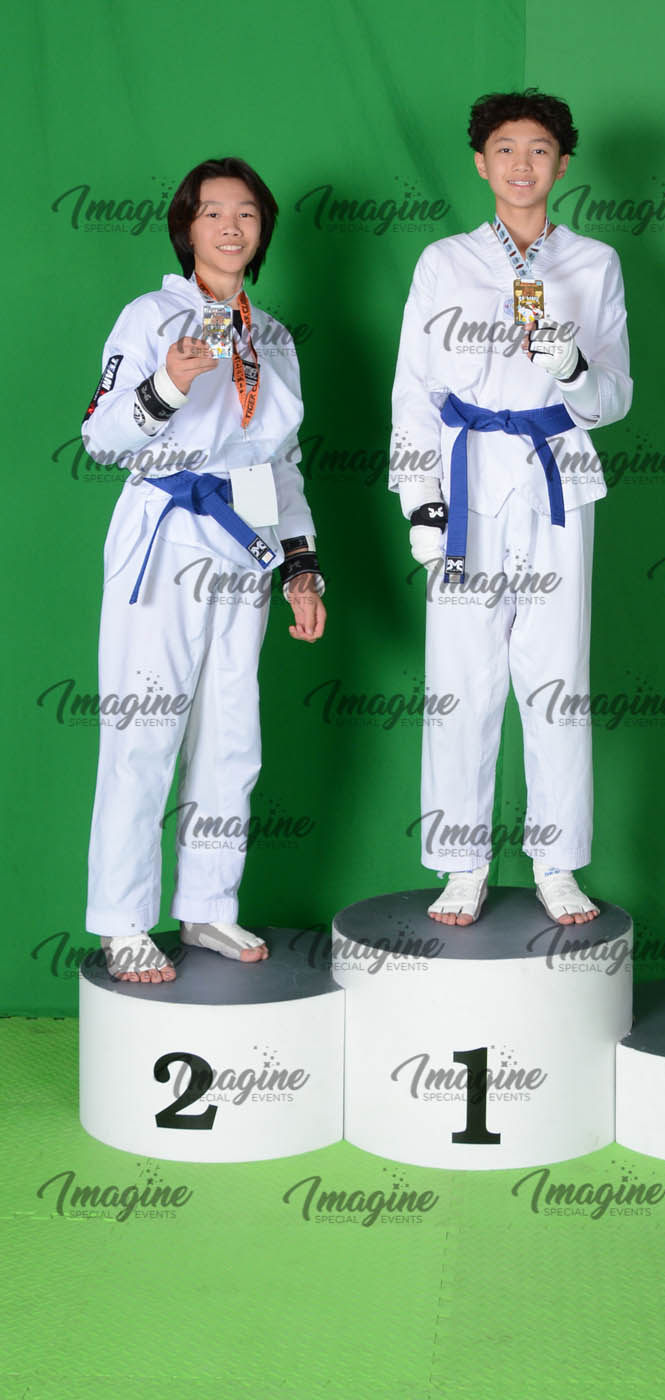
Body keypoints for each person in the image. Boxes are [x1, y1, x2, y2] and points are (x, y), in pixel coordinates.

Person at [389, 90, 632, 928]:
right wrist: (422, 502)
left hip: (557, 478)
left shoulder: (594, 263)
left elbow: (614, 399)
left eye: (538, 150)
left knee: (558, 676)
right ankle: (462, 862)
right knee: (462, 679)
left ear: (562, 164)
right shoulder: (444, 261)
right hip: (465, 483)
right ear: (480, 162)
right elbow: (413, 392)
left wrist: (573, 369)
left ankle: (556, 861)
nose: (521, 164)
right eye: (505, 148)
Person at [82, 156, 325, 984]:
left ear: (263, 231)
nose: (230, 226)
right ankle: (123, 921)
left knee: (232, 734)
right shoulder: (151, 317)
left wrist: (300, 567)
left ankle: (209, 904)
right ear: (187, 227)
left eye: (246, 213)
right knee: (144, 732)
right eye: (212, 212)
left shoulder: (272, 336)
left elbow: (277, 462)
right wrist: (168, 383)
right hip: (164, 533)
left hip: (242, 538)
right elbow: (101, 435)